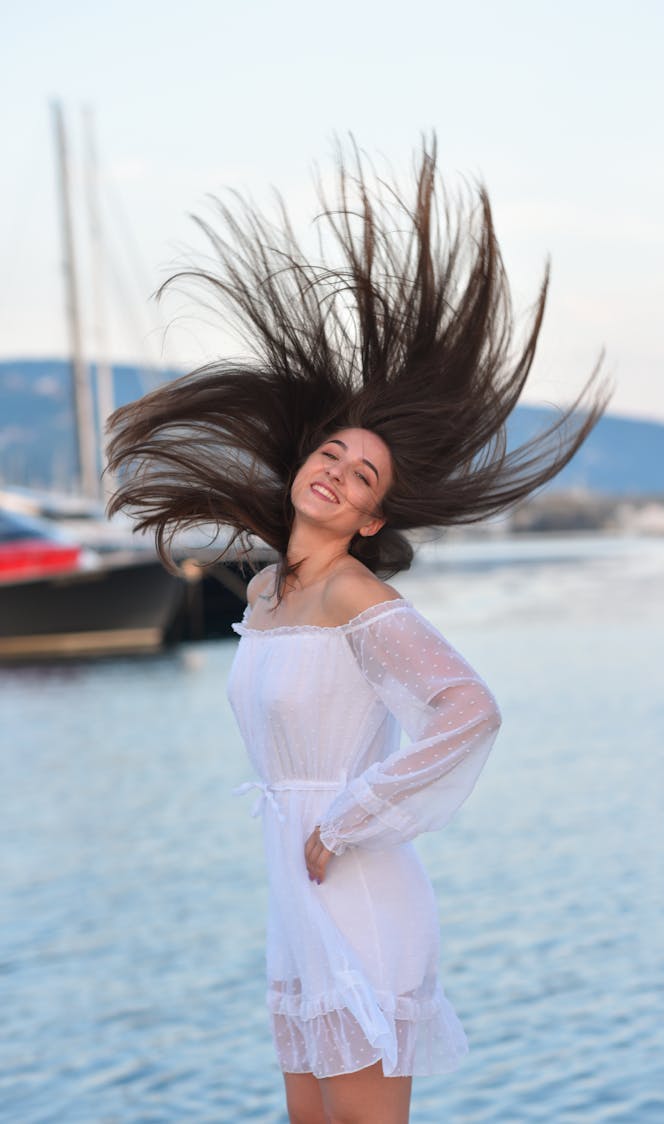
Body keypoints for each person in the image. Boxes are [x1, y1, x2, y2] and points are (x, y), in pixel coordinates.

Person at [106, 137, 610, 1124]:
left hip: (356, 885)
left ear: (374, 518)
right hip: (292, 896)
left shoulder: (349, 597)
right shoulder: (264, 599)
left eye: (363, 474)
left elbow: (469, 708)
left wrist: (347, 817)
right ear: (304, 466)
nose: (336, 469)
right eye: (331, 452)